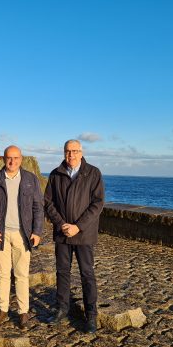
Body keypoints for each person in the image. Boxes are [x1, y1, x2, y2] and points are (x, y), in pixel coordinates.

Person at [44, 139, 104, 333]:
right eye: (68, 151)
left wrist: (78, 226)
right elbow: (48, 202)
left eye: (75, 151)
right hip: (62, 233)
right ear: (63, 152)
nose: (71, 155)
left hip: (83, 234)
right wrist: (61, 224)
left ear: (81, 152)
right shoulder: (56, 174)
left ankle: (91, 314)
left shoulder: (93, 173)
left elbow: (97, 204)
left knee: (87, 274)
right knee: (62, 272)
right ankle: (62, 308)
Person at [0, 145, 44, 329]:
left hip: (23, 233)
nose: (12, 162)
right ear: (3, 158)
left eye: (16, 158)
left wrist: (37, 231)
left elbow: (38, 207)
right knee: (2, 274)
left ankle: (23, 312)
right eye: (9, 158)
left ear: (21, 159)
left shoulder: (30, 179)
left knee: (21, 275)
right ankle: (2, 309)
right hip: (1, 233)